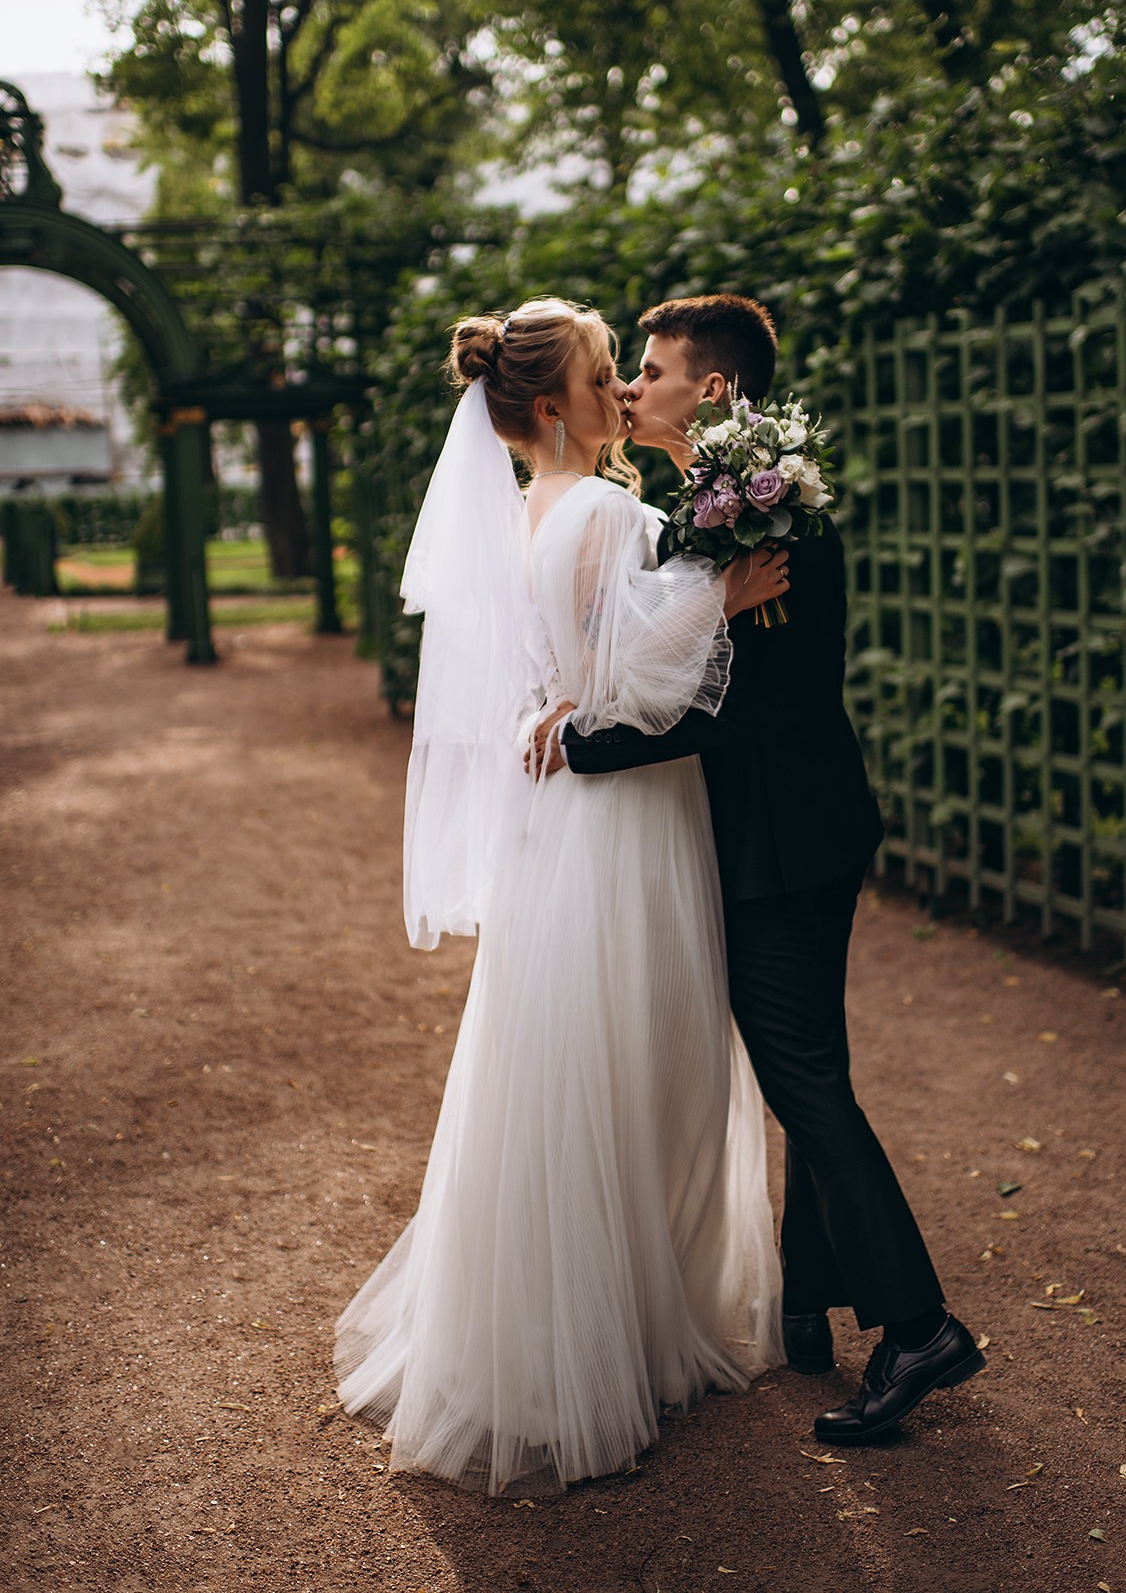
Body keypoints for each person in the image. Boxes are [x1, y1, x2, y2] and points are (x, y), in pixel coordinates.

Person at [334, 297, 790, 1495]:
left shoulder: (544, 508)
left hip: (566, 824)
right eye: (602, 377)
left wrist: (568, 697)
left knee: (564, 1064)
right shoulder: (597, 506)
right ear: (553, 408)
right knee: (628, 1061)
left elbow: (569, 675)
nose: (619, 394)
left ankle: (589, 1328)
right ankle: (603, 1342)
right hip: (618, 827)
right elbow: (630, 680)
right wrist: (722, 600)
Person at [547, 293, 985, 1447]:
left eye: (649, 370)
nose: (630, 388)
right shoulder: (720, 506)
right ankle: (806, 1300)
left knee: (802, 1082)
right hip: (797, 830)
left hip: (779, 844)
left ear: (715, 392)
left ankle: (918, 1327)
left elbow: (729, 708)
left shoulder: (761, 517)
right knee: (812, 1066)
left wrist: (584, 743)